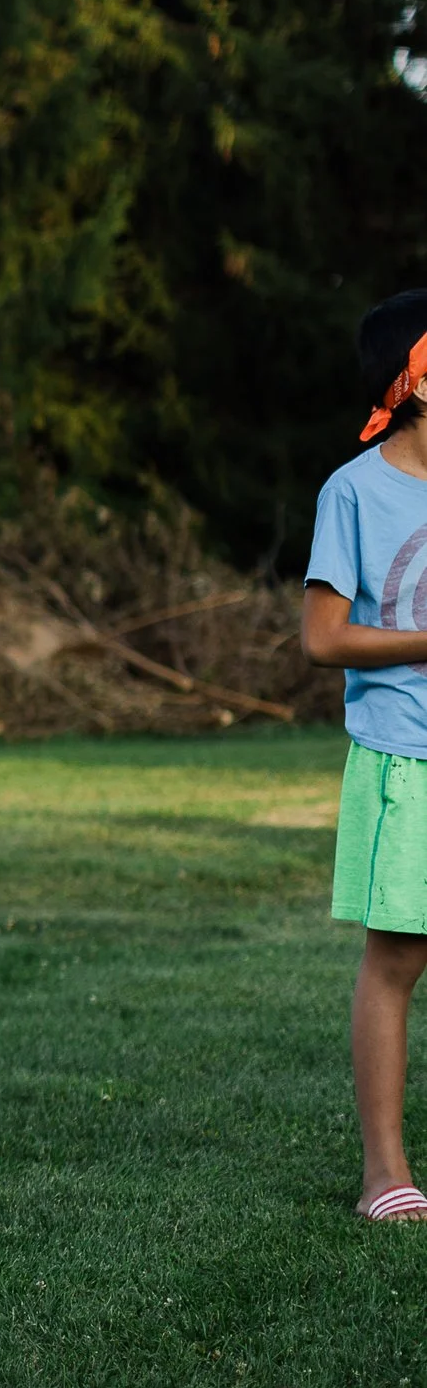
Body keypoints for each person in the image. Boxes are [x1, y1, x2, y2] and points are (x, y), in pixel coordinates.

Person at [301, 288, 427, 1224]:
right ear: (415, 383)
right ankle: (384, 1171)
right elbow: (323, 636)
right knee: (399, 958)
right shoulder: (353, 491)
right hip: (404, 759)